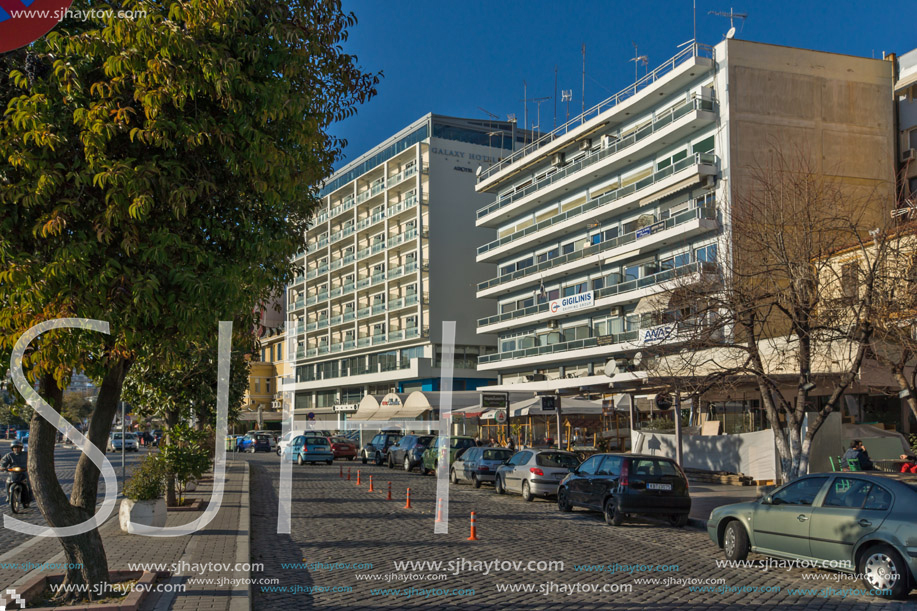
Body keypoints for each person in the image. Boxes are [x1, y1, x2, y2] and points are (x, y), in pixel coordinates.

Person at [1, 440, 30, 508]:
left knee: (28, 484)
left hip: (24, 472)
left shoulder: (26, 454)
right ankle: (8, 497)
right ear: (12, 448)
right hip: (13, 473)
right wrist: (2, 467)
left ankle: (28, 498)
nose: (16, 449)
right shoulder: (9, 455)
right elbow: (3, 462)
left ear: (21, 448)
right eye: (15, 448)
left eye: (18, 447)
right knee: (8, 482)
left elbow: (32, 461)